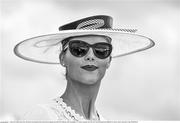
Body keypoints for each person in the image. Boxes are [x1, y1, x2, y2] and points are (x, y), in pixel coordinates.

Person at [14, 15, 155, 121]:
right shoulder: (44, 116)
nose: (90, 56)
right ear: (62, 58)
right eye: (79, 49)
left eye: (101, 50)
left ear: (109, 61)